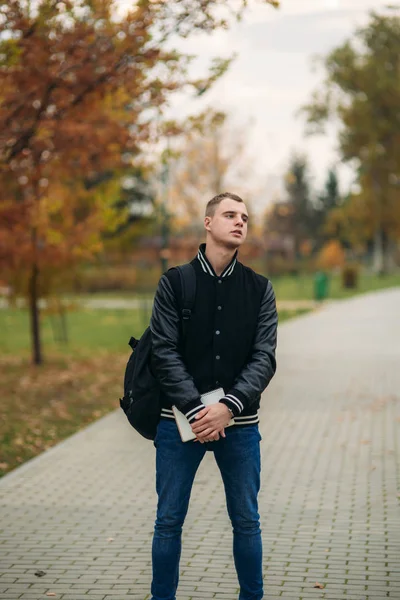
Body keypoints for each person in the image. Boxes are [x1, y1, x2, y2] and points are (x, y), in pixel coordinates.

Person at [149, 192, 278, 600]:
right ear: (208, 223)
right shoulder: (174, 283)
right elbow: (163, 350)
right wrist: (196, 410)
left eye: (244, 216)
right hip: (177, 421)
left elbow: (265, 356)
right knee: (168, 521)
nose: (239, 221)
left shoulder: (260, 289)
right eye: (229, 215)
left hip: (239, 424)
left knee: (247, 521)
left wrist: (227, 407)